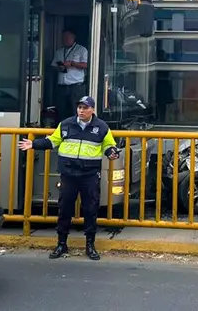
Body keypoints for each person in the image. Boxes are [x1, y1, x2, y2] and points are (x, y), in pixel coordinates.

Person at [18, 95, 119, 261]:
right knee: (64, 209)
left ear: (93, 110)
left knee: (90, 210)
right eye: (79, 107)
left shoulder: (101, 127)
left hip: (89, 175)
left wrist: (112, 153)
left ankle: (90, 245)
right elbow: (53, 141)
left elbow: (109, 145)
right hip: (69, 174)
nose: (81, 110)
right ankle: (61, 244)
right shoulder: (66, 124)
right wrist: (34, 144)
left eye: (85, 108)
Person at [52, 29, 88, 117]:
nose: (66, 39)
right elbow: (53, 66)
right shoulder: (59, 51)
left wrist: (72, 64)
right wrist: (59, 68)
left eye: (68, 37)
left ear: (74, 37)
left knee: (76, 111)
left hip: (76, 87)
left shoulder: (81, 50)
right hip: (62, 86)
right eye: (64, 37)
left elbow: (86, 65)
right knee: (61, 111)